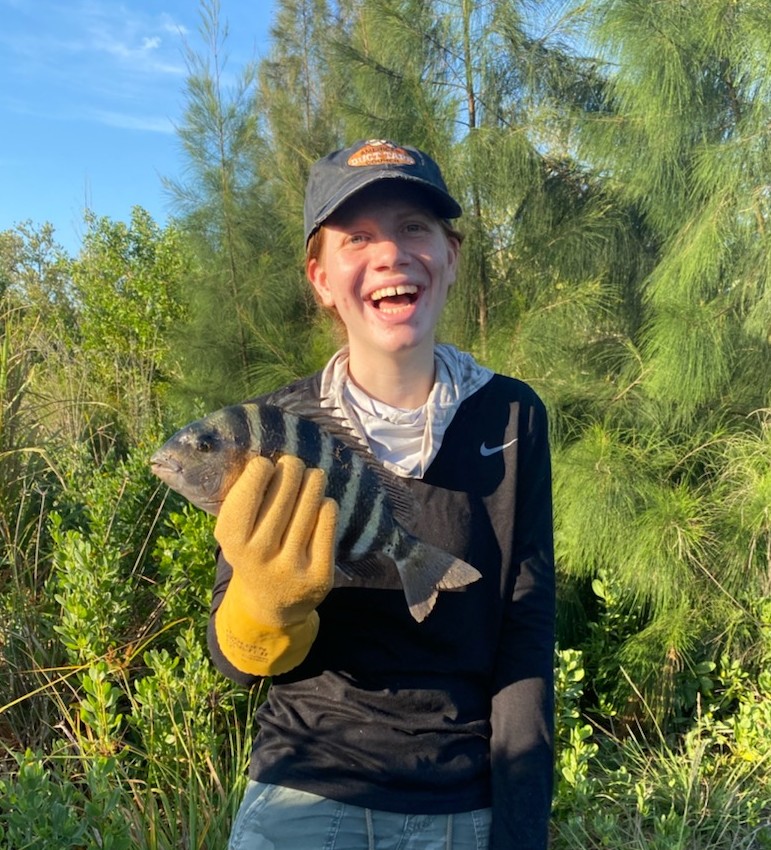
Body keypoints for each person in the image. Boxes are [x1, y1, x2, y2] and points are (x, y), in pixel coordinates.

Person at [207, 139, 555, 850]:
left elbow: (525, 635)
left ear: (450, 256)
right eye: (357, 237)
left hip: (462, 801)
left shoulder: (513, 417)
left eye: (413, 227)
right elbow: (232, 665)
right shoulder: (272, 428)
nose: (390, 254)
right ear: (321, 279)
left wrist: (520, 830)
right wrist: (264, 607)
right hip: (304, 788)